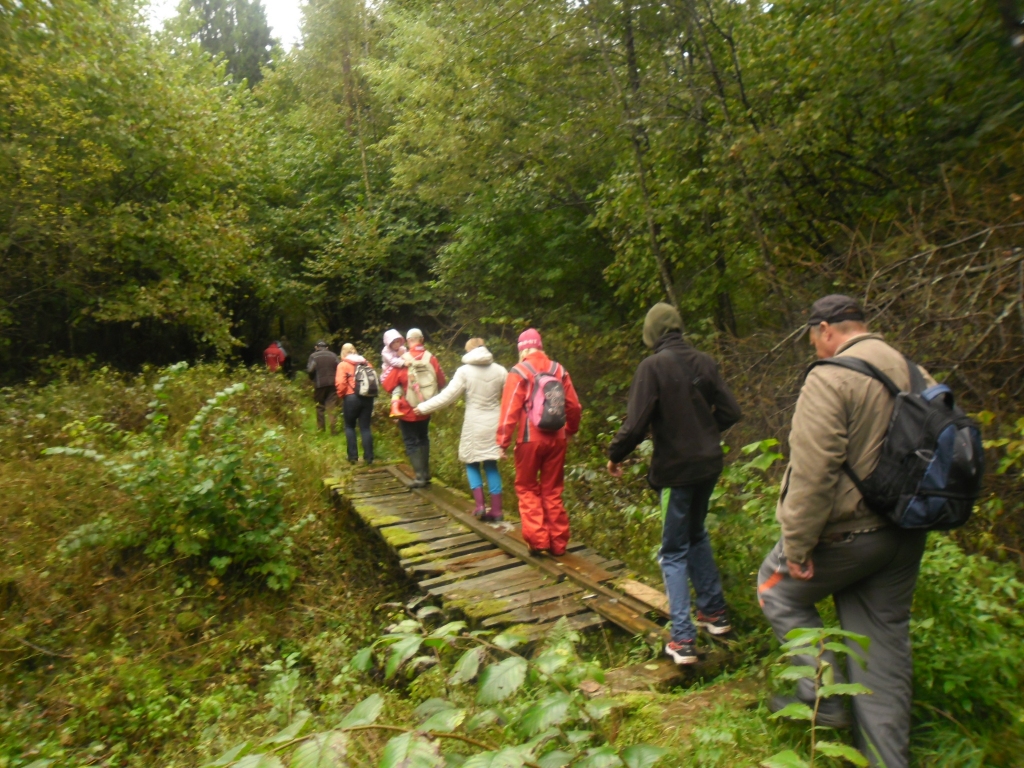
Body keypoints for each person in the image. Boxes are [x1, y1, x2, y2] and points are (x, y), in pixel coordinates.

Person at [757, 295, 936, 768]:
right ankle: (887, 759)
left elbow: (814, 472)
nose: (814, 346)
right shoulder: (915, 373)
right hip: (905, 533)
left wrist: (796, 544)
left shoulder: (832, 377)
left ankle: (824, 699)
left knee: (775, 591)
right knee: (882, 648)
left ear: (824, 330)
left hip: (850, 535)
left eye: (813, 337)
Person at [606, 303, 742, 665]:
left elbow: (636, 425)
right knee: (696, 533)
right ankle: (714, 614)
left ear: (651, 334)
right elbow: (731, 411)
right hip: (709, 465)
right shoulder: (705, 362)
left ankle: (682, 639)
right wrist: (703, 432)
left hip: (676, 471)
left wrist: (615, 454)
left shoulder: (652, 367)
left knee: (673, 551)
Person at [496, 328, 581, 556]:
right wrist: (571, 430)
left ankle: (538, 541)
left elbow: (509, 410)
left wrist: (502, 442)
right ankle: (558, 544)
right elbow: (574, 406)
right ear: (540, 347)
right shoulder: (559, 369)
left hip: (529, 439)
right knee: (552, 490)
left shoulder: (520, 371)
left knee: (526, 488)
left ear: (522, 350)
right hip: (558, 438)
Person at [414, 338, 508, 520]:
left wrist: (423, 407)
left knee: (471, 462)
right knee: (491, 463)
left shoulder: (464, 371)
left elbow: (447, 396)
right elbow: (512, 397)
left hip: (474, 424)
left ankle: (480, 506)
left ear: (468, 351)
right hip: (495, 423)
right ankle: (497, 510)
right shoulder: (500, 370)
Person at [382, 328, 446, 486]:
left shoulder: (403, 359)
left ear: (408, 340)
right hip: (425, 407)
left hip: (406, 409)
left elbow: (388, 384)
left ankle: (419, 477)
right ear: (422, 339)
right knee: (423, 438)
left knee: (411, 440)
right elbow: (442, 381)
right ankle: (426, 473)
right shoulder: (432, 358)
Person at [335, 343, 377, 464]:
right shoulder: (367, 363)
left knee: (349, 426)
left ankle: (353, 457)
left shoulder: (343, 365)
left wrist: (341, 396)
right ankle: (369, 457)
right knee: (365, 427)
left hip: (351, 398)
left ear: (343, 353)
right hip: (368, 397)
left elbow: (341, 384)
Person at [306, 340, 340, 435]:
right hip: (333, 384)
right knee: (332, 407)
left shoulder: (313, 356)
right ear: (327, 347)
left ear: (316, 347)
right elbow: (339, 367)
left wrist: (312, 379)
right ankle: (334, 430)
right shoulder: (333, 355)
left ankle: (321, 430)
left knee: (320, 406)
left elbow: (310, 370)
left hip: (319, 384)